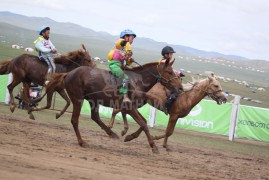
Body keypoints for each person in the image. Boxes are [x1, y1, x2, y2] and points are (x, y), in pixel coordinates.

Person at [107, 29, 136, 103]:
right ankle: (124, 96)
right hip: (114, 65)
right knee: (125, 78)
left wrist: (130, 61)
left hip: (119, 65)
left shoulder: (124, 48)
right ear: (126, 37)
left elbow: (125, 61)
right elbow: (125, 49)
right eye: (132, 38)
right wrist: (129, 53)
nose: (133, 40)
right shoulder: (121, 43)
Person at [159, 46, 184, 114]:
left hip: (165, 79)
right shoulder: (164, 62)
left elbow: (172, 71)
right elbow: (170, 72)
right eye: (171, 54)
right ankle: (166, 106)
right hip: (163, 81)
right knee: (176, 91)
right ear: (166, 54)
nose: (172, 55)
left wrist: (178, 73)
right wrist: (177, 73)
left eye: (172, 54)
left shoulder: (166, 61)